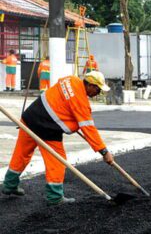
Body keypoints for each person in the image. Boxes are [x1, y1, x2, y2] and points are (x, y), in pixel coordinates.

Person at [1, 71, 114, 205]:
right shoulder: (81, 102)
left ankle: (9, 185)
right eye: (98, 89)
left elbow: (61, 99)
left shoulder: (70, 79)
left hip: (29, 118)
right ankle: (55, 197)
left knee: (21, 154)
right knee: (57, 162)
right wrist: (104, 151)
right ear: (89, 85)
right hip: (47, 128)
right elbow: (88, 129)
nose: (98, 93)